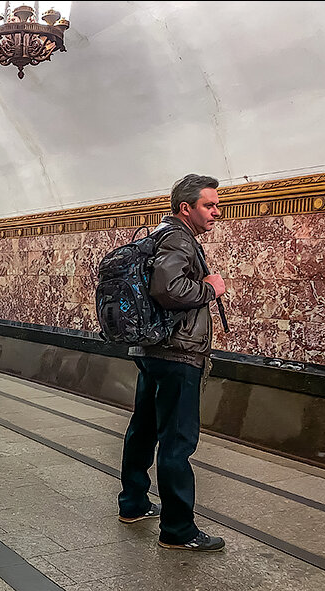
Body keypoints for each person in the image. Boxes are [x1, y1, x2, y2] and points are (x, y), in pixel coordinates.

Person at [117, 173, 227, 552]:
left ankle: (132, 503)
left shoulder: (158, 232)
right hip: (179, 354)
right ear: (186, 207)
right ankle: (178, 529)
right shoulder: (180, 239)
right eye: (208, 205)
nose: (216, 211)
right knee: (177, 441)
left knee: (143, 428)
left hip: (153, 351)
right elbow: (167, 288)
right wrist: (210, 289)